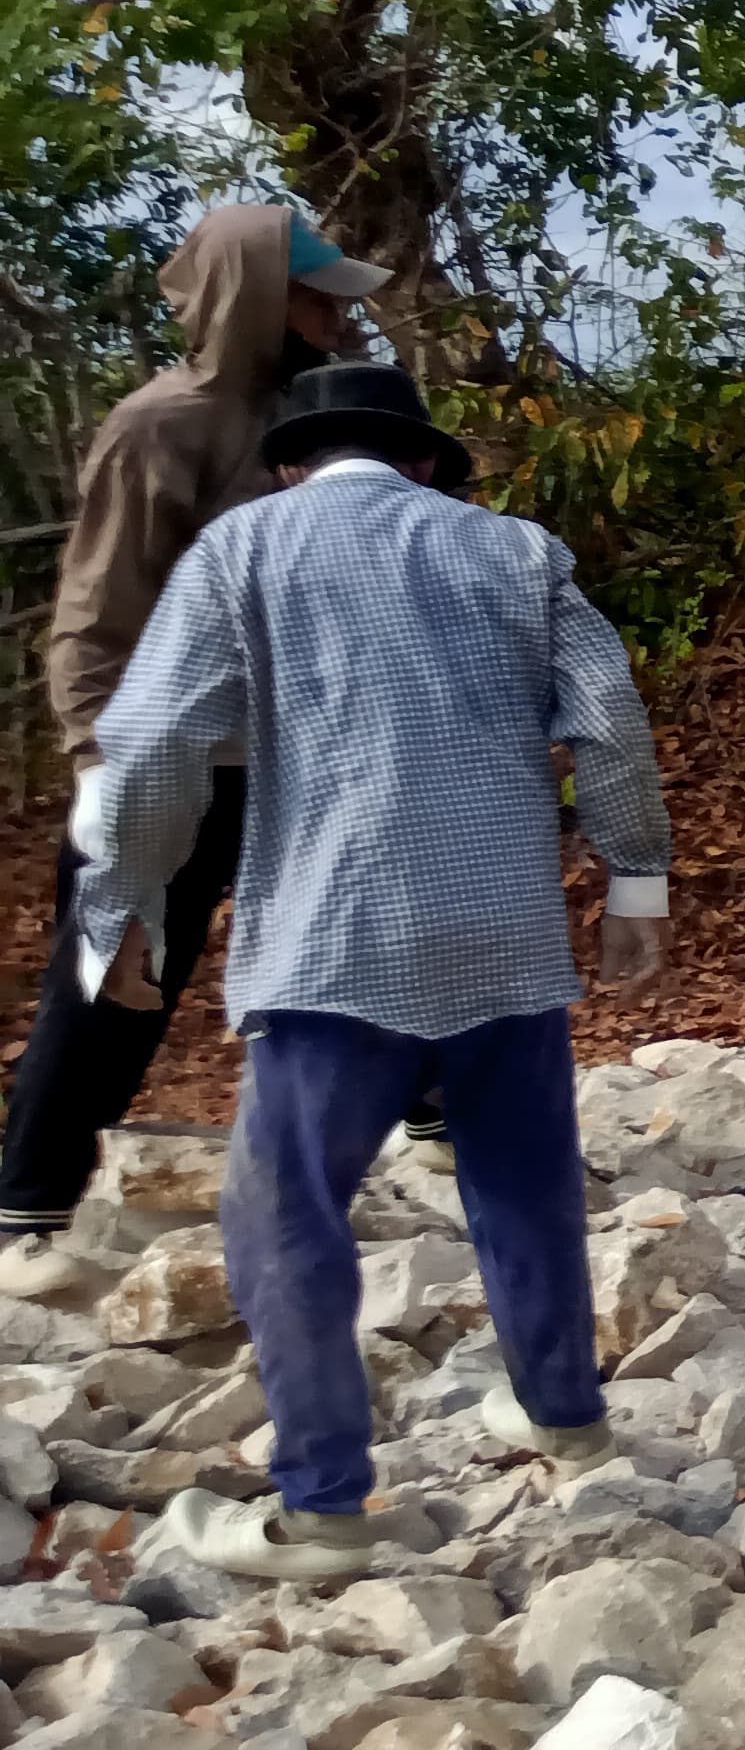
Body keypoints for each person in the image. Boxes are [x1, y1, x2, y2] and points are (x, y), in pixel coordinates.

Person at [82, 363, 673, 1580]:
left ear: (294, 461)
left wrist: (122, 905)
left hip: (333, 935)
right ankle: (565, 1418)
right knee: (522, 1180)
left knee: (281, 1208)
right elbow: (607, 717)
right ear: (420, 464)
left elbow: (150, 742)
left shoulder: (244, 548)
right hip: (504, 930)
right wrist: (635, 880)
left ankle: (323, 1507)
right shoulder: (516, 553)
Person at [0, 206, 433, 1299]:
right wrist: (100, 766)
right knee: (113, 980)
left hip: (312, 753)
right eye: (317, 294)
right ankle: (28, 1207)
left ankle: (443, 1130)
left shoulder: (319, 417)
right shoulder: (163, 429)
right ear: (249, 298)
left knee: (386, 932)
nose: (342, 314)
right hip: (178, 756)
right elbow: (97, 614)